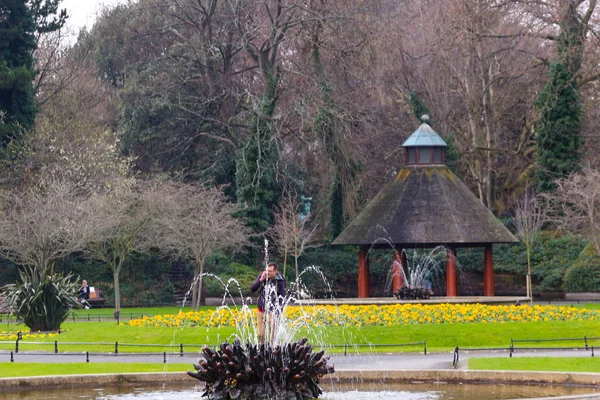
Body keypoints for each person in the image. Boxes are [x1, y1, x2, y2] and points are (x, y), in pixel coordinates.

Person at [250, 262, 286, 344]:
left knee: (273, 335)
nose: (267, 272)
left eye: (270, 271)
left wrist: (278, 311)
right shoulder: (262, 276)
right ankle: (263, 352)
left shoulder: (280, 280)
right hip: (261, 310)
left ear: (275, 272)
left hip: (272, 312)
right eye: (267, 270)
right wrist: (260, 280)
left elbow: (282, 297)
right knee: (260, 335)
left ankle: (273, 351)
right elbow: (252, 289)